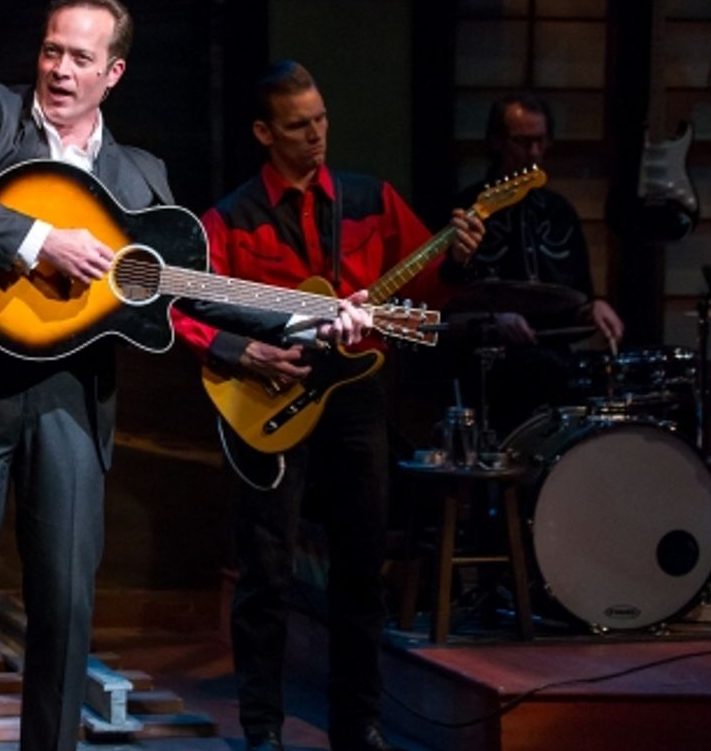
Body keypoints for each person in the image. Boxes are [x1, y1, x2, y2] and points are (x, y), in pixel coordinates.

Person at [0, 0, 364, 751]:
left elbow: (193, 295)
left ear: (114, 72)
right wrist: (41, 239)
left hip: (71, 400)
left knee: (67, 606)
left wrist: (313, 315)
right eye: (51, 50)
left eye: (80, 57)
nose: (60, 70)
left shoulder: (140, 178)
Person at [172, 61, 485, 751]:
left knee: (361, 564)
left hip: (356, 398)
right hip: (270, 393)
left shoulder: (369, 198)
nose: (316, 136)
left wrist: (458, 260)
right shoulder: (227, 217)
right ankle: (262, 728)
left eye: (320, 120)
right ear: (263, 132)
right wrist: (238, 349)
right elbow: (184, 305)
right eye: (297, 126)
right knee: (266, 570)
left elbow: (426, 292)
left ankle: (359, 723)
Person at [450, 92, 625, 434]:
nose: (533, 153)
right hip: (489, 364)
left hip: (554, 359)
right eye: (522, 142)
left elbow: (579, 295)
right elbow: (448, 297)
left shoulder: (560, 213)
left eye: (541, 141)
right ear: (496, 142)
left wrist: (595, 307)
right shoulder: (466, 209)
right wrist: (492, 319)